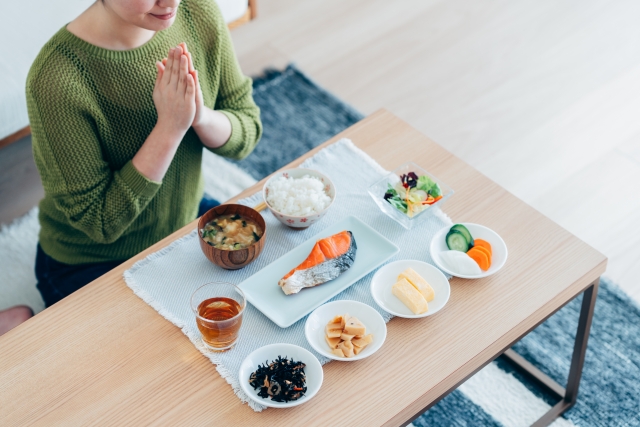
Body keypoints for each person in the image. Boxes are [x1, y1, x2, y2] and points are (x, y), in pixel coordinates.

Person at [26, 0, 262, 308]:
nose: (169, 2)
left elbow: (247, 129)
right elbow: (99, 222)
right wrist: (169, 128)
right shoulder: (57, 79)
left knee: (260, 295)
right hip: (93, 260)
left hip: (181, 219)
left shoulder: (198, 12)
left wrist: (199, 117)